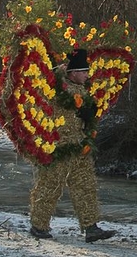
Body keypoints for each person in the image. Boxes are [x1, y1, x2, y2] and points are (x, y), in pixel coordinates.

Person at [29, 49, 114, 243]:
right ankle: (39, 225)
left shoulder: (85, 89)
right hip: (58, 146)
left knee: (85, 186)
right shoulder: (56, 86)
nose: (87, 75)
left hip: (80, 145)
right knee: (50, 186)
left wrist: (89, 114)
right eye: (84, 71)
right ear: (73, 72)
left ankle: (91, 227)